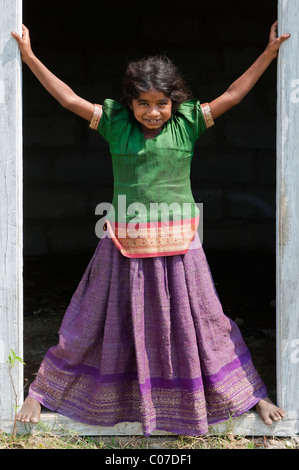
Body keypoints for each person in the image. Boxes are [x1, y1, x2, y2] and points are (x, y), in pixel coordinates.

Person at [12, 21, 290, 435]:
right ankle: (42, 392)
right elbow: (68, 98)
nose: (153, 112)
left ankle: (250, 395)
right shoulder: (113, 123)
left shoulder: (189, 123)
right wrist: (29, 57)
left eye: (162, 103)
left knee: (207, 322)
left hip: (180, 245)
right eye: (143, 103)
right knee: (89, 320)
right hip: (122, 242)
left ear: (175, 101)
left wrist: (269, 54)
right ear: (129, 103)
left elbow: (233, 94)